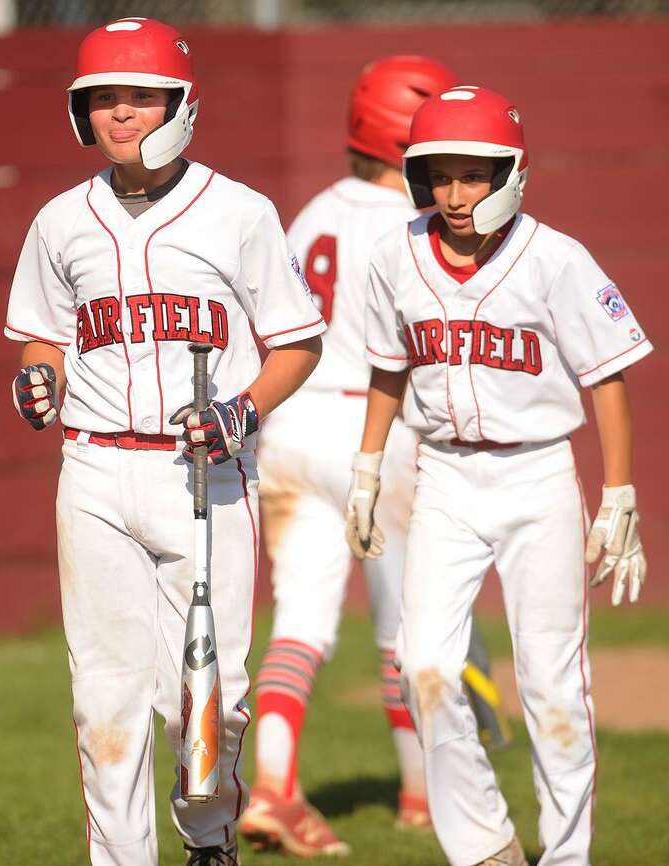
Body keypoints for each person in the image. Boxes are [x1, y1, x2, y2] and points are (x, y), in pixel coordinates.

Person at [5, 18, 324, 866]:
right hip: (97, 467)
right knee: (104, 704)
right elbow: (43, 336)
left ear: (180, 105)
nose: (121, 115)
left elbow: (297, 342)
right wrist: (41, 379)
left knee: (205, 706)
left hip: (206, 475)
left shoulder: (241, 213)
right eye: (103, 99)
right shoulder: (59, 222)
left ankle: (209, 836)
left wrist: (242, 410)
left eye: (140, 97)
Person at [348, 84, 650, 866]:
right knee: (426, 665)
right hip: (445, 473)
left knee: (552, 687)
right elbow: (389, 368)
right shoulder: (395, 255)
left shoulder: (554, 258)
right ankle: (484, 845)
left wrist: (619, 494)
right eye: (439, 175)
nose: (454, 194)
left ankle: (567, 855)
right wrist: (368, 465)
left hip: (538, 477)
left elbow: (607, 377)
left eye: (473, 175)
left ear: (510, 172)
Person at [240, 55, 478, 857]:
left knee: (301, 621)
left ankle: (272, 785)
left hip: (291, 428)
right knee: (409, 627)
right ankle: (422, 793)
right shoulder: (415, 230)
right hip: (378, 435)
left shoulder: (308, 214)